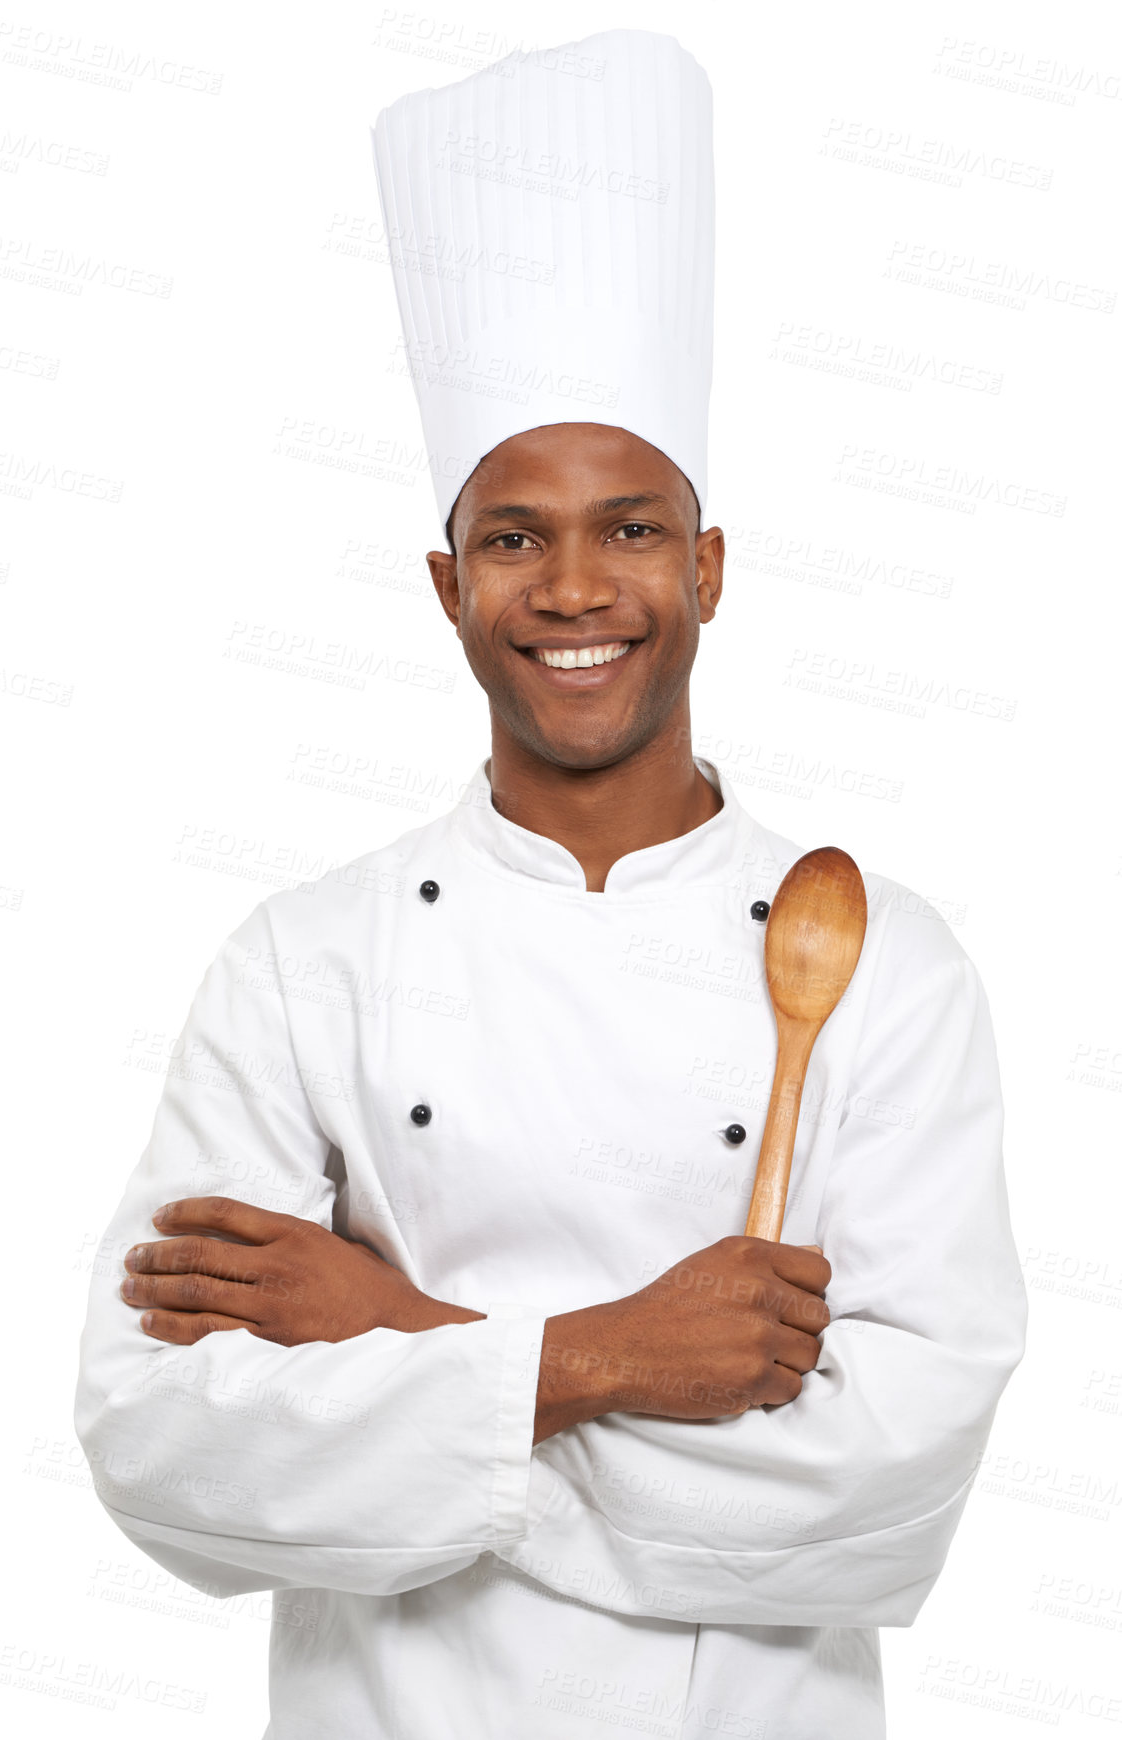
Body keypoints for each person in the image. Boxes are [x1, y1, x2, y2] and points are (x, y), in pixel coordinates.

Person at [75, 30, 1027, 1739]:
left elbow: (886, 1502)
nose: (575, 587)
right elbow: (165, 1454)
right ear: (447, 585)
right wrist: (615, 1359)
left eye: (633, 526)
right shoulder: (305, 964)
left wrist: (403, 1338)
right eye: (515, 535)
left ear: (710, 567)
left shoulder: (883, 965)